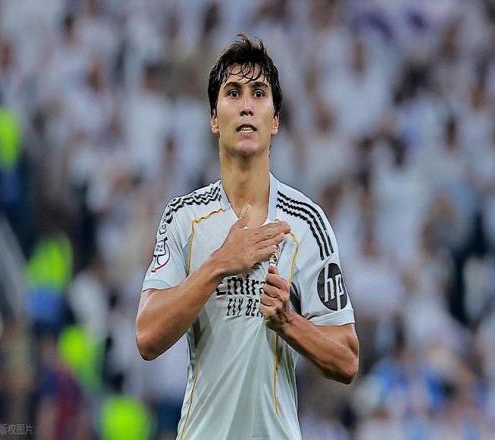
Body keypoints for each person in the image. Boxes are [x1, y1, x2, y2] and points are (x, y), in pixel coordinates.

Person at [135, 34, 359, 440]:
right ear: (214, 118)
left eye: (259, 94)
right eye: (233, 92)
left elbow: (346, 359)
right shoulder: (184, 217)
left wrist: (288, 322)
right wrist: (220, 264)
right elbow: (147, 337)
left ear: (275, 121)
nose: (246, 106)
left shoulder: (306, 222)